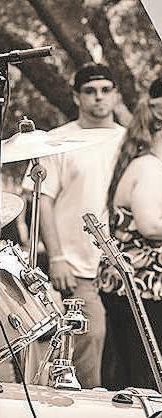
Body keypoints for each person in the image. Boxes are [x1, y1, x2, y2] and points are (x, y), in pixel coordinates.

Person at [22, 63, 126, 388]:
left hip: (124, 268)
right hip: (77, 267)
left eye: (106, 90)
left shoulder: (130, 140)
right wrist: (56, 257)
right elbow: (41, 200)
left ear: (116, 95)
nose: (99, 97)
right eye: (90, 91)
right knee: (87, 341)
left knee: (123, 358)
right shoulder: (57, 141)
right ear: (77, 97)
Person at [98, 76, 162, 390]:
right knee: (143, 383)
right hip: (141, 289)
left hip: (135, 288)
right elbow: (151, 225)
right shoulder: (149, 167)